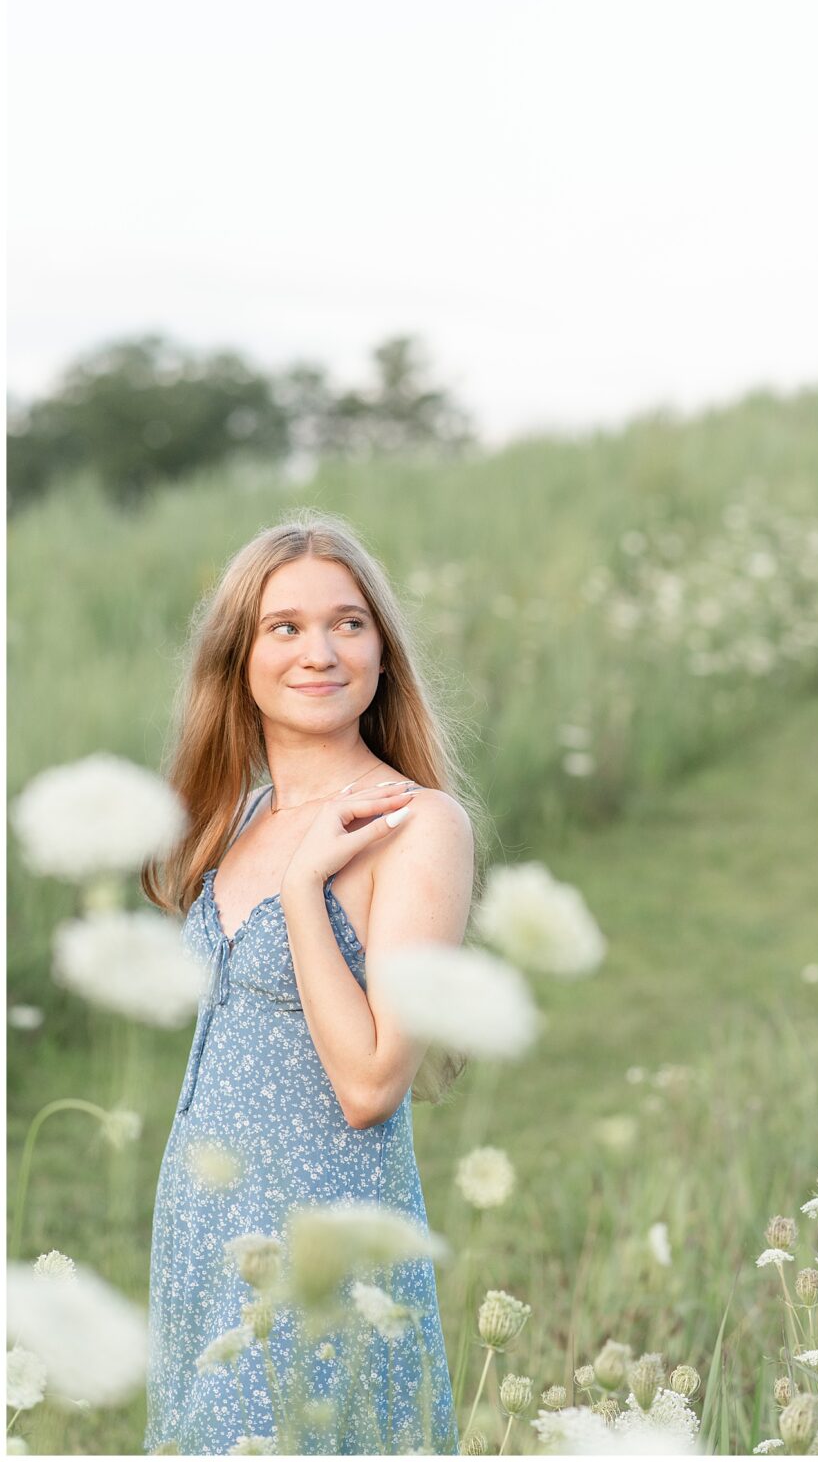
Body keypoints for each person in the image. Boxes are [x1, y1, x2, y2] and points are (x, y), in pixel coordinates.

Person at [140, 510, 486, 1455]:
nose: (320, 651)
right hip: (207, 1237)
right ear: (238, 660)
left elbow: (373, 1084)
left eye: (349, 622)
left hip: (324, 1251)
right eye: (284, 627)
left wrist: (303, 890)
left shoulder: (416, 825)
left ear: (382, 652)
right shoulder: (238, 819)